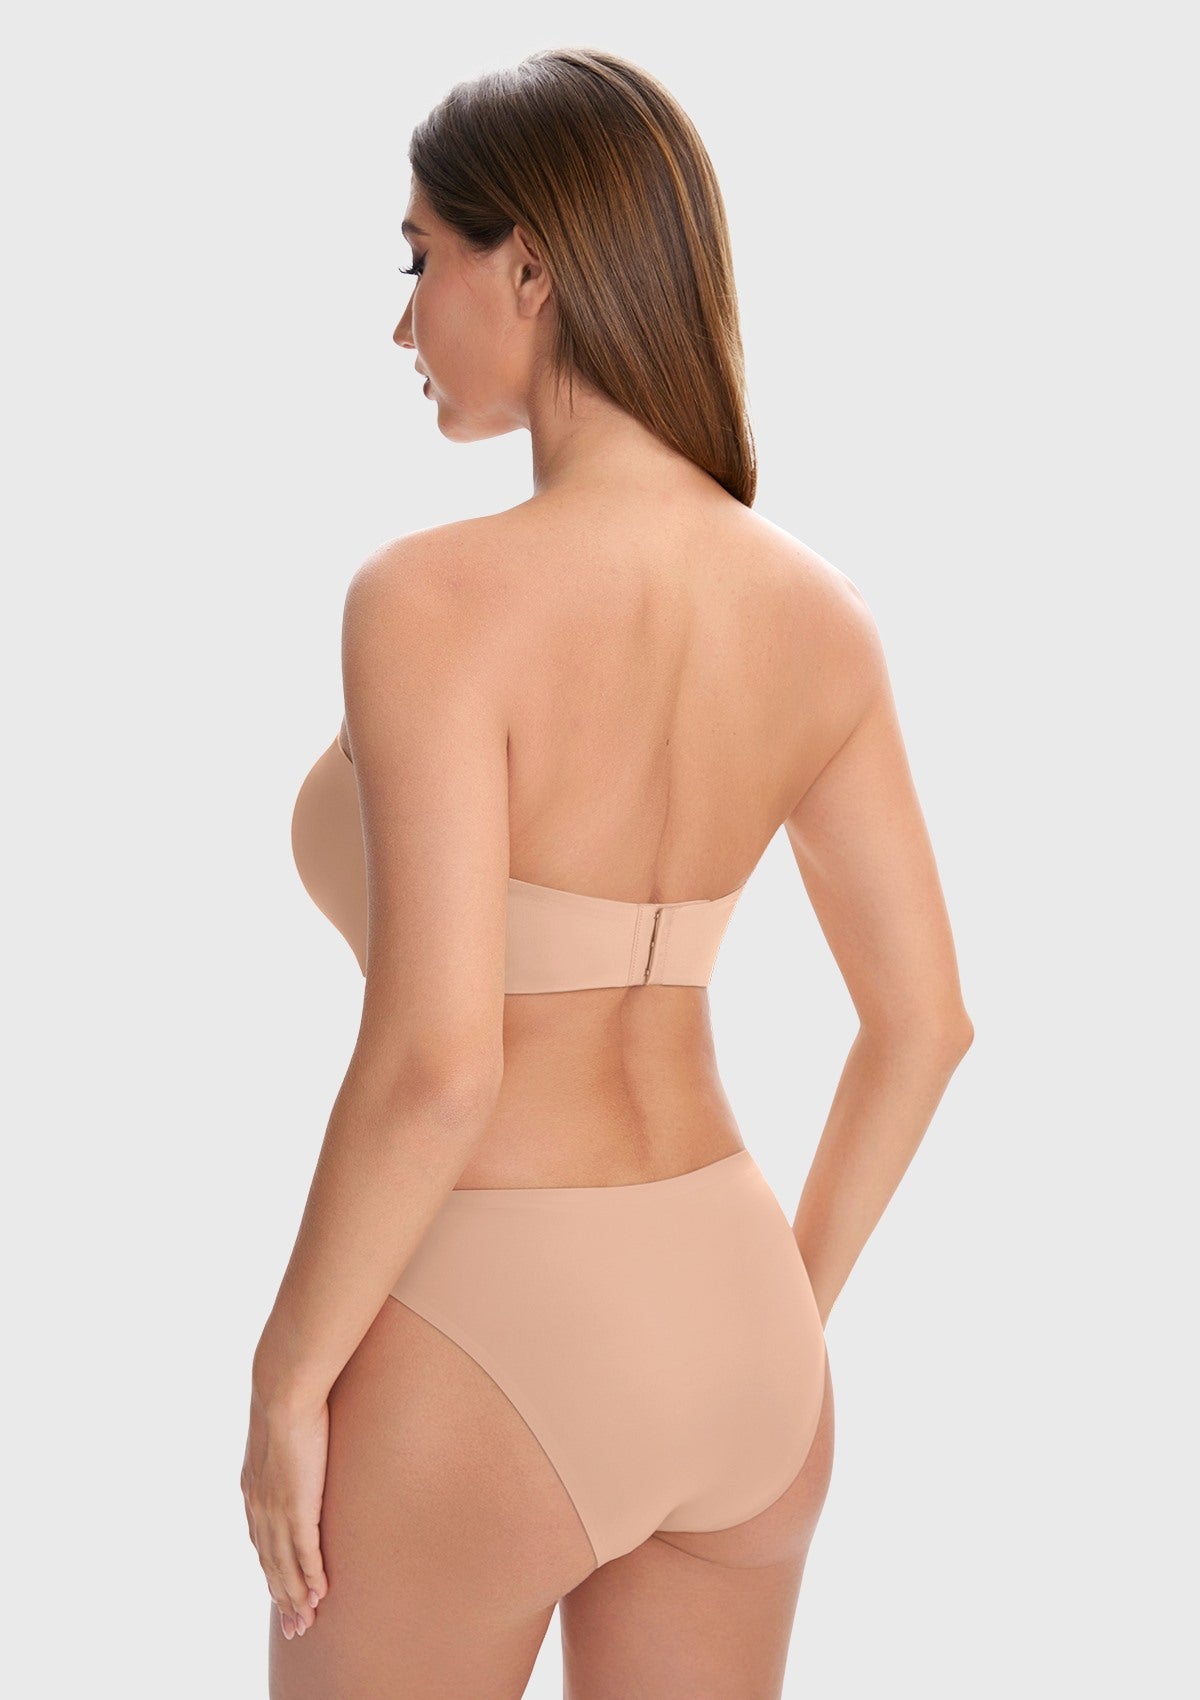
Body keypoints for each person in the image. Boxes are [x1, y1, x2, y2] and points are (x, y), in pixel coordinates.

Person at [241, 44, 974, 1700]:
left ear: (533, 267)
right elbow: (925, 1025)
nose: (405, 325)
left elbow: (441, 1063)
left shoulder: (430, 601)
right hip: (739, 1322)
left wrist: (287, 1376)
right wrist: (774, 1321)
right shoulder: (821, 616)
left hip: (491, 1322)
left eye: (419, 259)